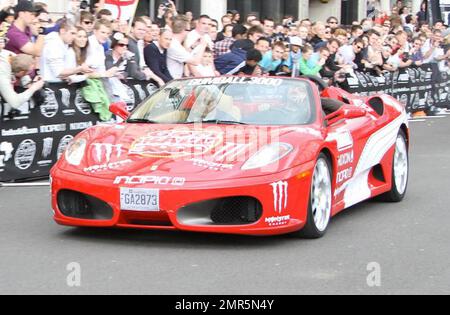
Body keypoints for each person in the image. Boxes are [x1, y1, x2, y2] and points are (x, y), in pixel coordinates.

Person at [167, 15, 207, 79]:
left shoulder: (174, 43)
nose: (189, 32)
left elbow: (184, 53)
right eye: (189, 30)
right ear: (183, 30)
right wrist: (203, 45)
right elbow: (195, 62)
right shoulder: (175, 46)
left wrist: (193, 46)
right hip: (172, 80)